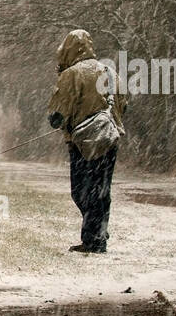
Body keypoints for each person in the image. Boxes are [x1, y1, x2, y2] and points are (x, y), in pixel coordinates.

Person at [47, 29, 126, 253]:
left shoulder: (71, 74)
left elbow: (57, 114)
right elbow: (123, 103)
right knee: (102, 190)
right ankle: (98, 233)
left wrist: (63, 120)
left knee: (81, 190)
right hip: (109, 138)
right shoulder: (110, 72)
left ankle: (94, 238)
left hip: (83, 141)